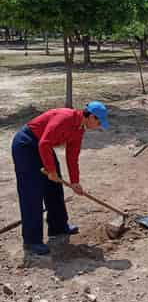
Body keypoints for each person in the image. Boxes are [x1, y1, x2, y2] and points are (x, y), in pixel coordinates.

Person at [11, 101, 109, 255]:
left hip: (44, 147)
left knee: (54, 187)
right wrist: (51, 170)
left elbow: (72, 156)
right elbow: (44, 143)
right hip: (27, 145)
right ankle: (32, 241)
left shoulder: (79, 129)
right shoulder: (65, 118)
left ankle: (58, 227)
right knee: (32, 193)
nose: (99, 126)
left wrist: (75, 181)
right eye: (98, 122)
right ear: (90, 116)